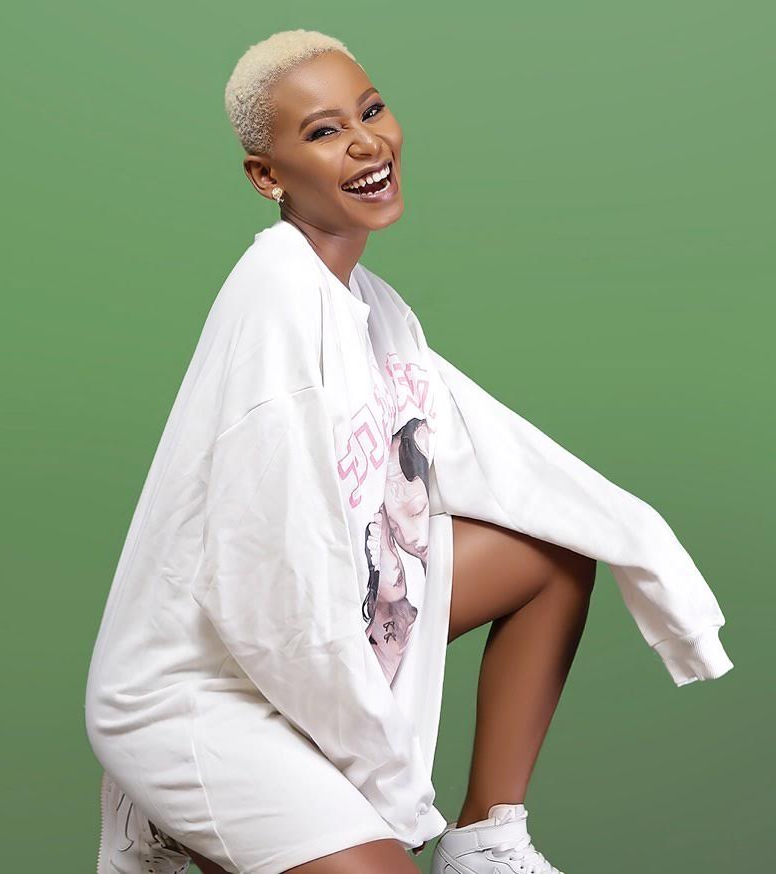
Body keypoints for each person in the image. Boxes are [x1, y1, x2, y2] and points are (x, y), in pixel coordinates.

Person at [84, 29, 734, 874]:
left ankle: (487, 844)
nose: (366, 142)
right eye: (324, 131)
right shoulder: (277, 303)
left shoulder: (373, 306)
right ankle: (177, 805)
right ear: (267, 176)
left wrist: (647, 551)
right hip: (205, 689)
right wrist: (385, 785)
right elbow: (270, 592)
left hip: (313, 639)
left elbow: (494, 452)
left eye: (371, 110)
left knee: (552, 549)